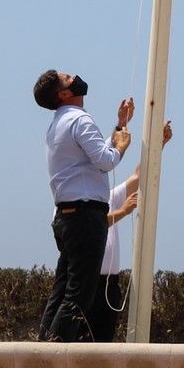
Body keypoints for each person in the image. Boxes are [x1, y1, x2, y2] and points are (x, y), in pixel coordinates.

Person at [33, 70, 134, 343]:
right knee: (79, 295)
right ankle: (54, 354)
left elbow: (93, 155)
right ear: (65, 93)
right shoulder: (79, 119)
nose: (74, 76)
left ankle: (43, 349)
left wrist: (119, 126)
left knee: (62, 290)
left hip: (68, 215)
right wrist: (122, 147)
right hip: (85, 215)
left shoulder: (59, 122)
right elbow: (106, 161)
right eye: (68, 77)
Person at [87, 119, 173, 343]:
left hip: (110, 283)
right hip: (87, 281)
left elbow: (138, 177)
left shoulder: (107, 197)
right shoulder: (72, 202)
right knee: (81, 341)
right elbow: (90, 224)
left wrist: (158, 145)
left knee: (103, 343)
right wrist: (123, 212)